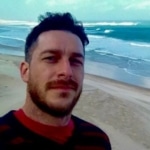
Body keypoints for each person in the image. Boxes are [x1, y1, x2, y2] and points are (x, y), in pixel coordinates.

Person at [0, 12, 111, 149]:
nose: (66, 72)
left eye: (75, 61)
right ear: (25, 71)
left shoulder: (97, 141)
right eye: (51, 58)